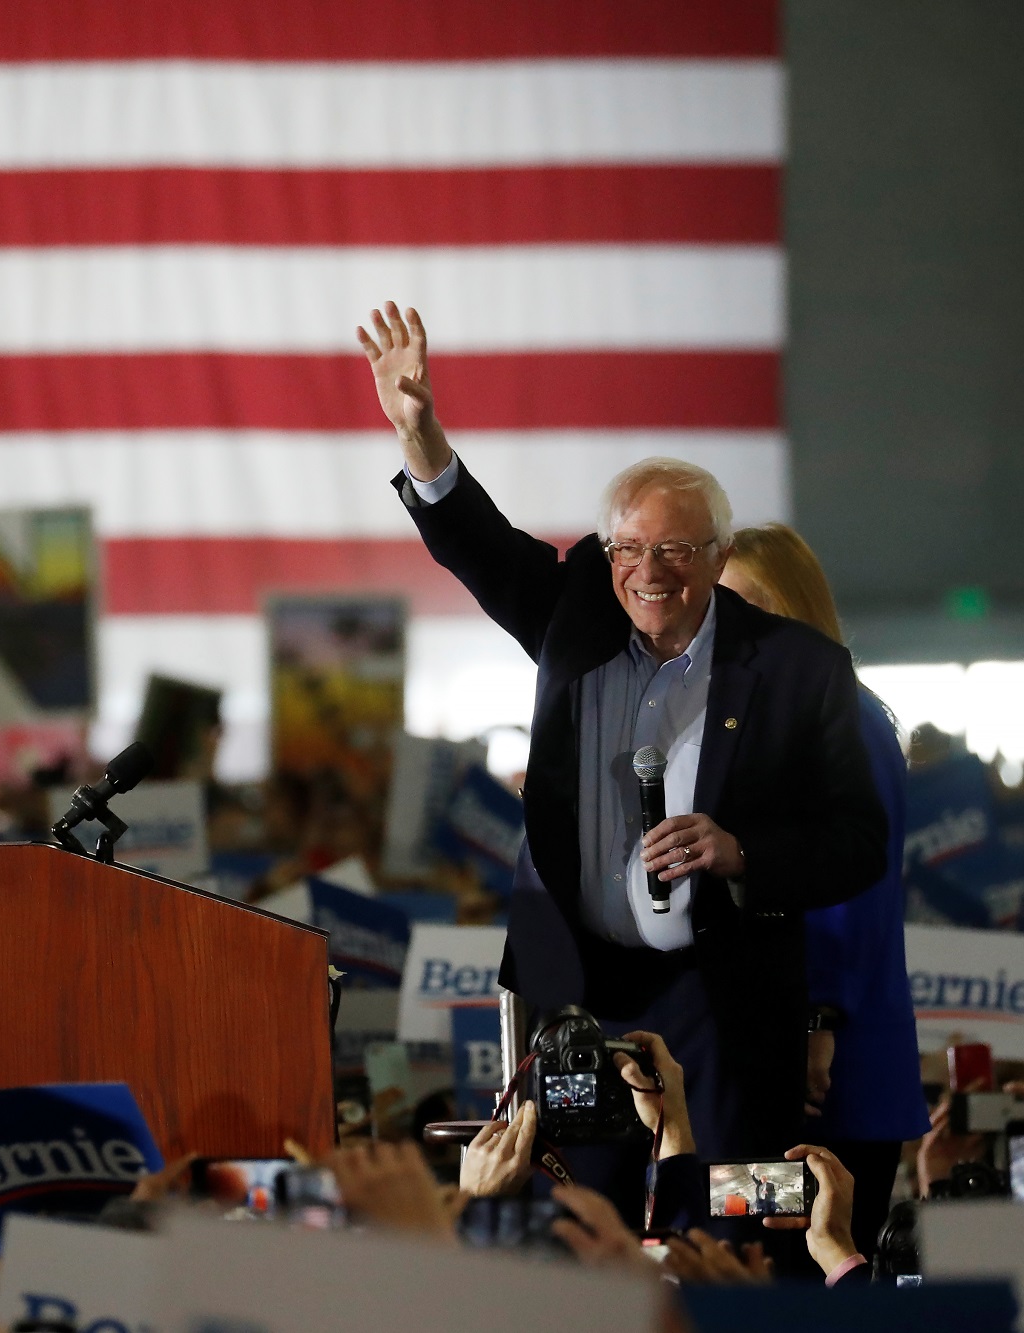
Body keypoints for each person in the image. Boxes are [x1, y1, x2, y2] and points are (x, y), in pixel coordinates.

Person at [359, 304, 887, 1201]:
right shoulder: (576, 612)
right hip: (578, 991)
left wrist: (743, 851)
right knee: (581, 1219)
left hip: (723, 1000)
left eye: (674, 549)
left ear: (719, 554)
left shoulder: (799, 669)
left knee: (725, 1212)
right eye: (629, 548)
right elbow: (479, 545)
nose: (648, 571)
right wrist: (420, 434)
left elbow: (859, 843)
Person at [719, 522, 929, 1255]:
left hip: (829, 1076)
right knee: (754, 1251)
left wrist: (817, 1022)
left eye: (746, 602)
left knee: (809, 1271)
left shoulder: (848, 719)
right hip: (777, 1074)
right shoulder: (767, 718)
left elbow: (852, 890)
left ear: (793, 606)